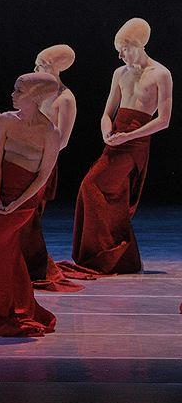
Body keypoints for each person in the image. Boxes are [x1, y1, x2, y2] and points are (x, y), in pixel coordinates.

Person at [58, 18, 173, 277]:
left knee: (91, 186)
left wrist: (129, 136)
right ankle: (116, 256)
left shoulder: (161, 74)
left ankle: (101, 254)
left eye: (124, 49)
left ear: (139, 45)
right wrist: (106, 131)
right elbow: (107, 112)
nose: (120, 55)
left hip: (135, 143)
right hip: (116, 139)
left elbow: (164, 120)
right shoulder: (119, 73)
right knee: (112, 195)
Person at [0, 73, 62, 337]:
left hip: (24, 200)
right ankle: (10, 307)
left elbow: (43, 176)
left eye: (19, 91)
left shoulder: (50, 132)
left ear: (35, 97)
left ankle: (11, 307)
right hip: (1, 195)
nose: (13, 95)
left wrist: (17, 203)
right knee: (2, 251)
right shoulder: (6, 120)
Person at [19, 44, 87, 291]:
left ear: (53, 67)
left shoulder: (66, 99)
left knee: (31, 213)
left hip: (43, 159)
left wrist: (39, 155)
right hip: (24, 156)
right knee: (21, 212)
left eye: (40, 65)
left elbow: (63, 139)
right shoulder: (36, 92)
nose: (35, 68)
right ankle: (21, 263)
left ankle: (34, 267)